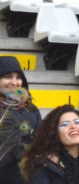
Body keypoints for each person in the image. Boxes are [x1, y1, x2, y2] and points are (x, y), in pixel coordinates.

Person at [21, 104, 79, 184]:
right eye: (65, 124)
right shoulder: (44, 165)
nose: (73, 126)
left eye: (77, 122)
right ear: (54, 133)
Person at [0, 56, 41, 184]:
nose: (14, 82)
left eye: (18, 78)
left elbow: (41, 142)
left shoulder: (31, 110)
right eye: (8, 76)